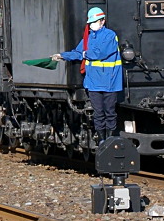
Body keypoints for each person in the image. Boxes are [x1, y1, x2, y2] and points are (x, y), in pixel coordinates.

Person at [52, 7, 122, 144]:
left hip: (110, 82)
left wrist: (85, 54)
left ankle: (111, 139)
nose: (92, 24)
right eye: (91, 22)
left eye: (95, 21)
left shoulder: (110, 35)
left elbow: (99, 53)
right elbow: (78, 52)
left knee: (109, 112)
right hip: (94, 83)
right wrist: (62, 56)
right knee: (98, 113)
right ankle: (103, 140)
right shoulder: (88, 37)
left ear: (103, 21)